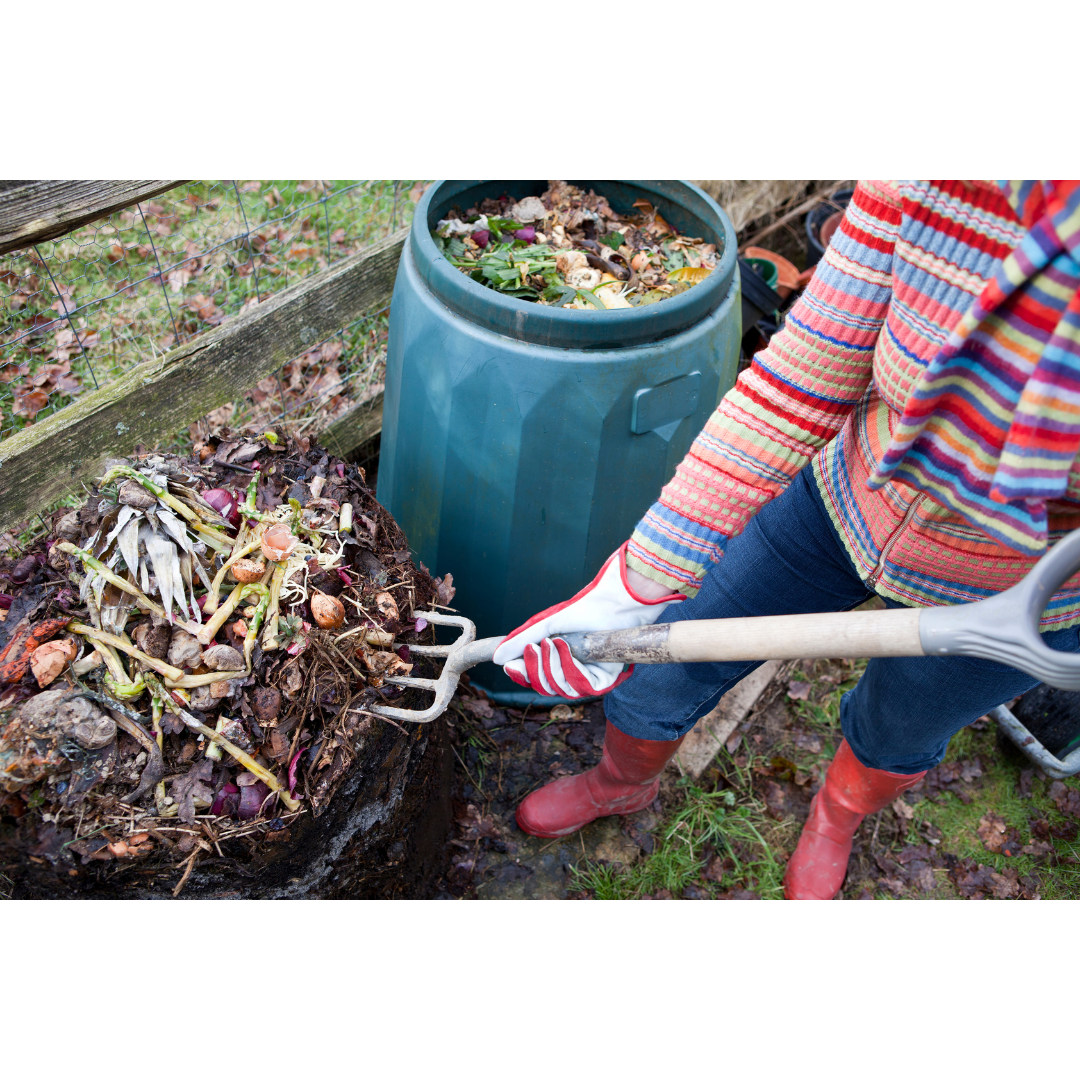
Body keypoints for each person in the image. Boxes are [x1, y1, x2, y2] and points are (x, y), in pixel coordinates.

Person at [493, 180, 1080, 900]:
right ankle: (620, 784)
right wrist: (637, 583)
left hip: (1023, 592)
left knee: (898, 731)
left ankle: (834, 819)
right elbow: (801, 380)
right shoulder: (941, 180)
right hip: (843, 502)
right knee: (666, 667)